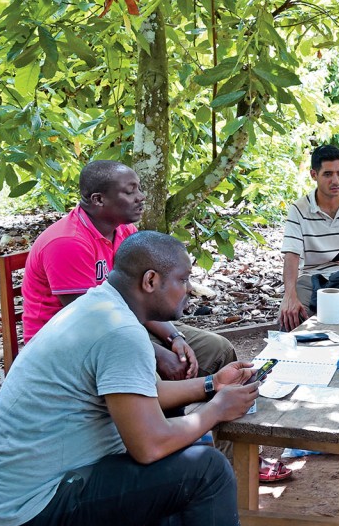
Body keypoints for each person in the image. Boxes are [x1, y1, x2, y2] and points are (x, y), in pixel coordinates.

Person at [0, 231, 262, 526]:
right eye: (183, 279)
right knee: (207, 469)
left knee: (182, 453)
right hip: (34, 511)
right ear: (150, 281)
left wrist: (212, 385)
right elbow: (149, 447)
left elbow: (145, 394)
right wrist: (216, 410)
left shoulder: (102, 305)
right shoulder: (121, 333)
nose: (189, 289)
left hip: (23, 499)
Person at [21, 160, 236, 380]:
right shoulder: (68, 243)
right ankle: (161, 413)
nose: (141, 196)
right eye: (130, 191)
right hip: (70, 342)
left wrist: (175, 337)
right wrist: (157, 353)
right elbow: (90, 320)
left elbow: (141, 298)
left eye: (139, 188)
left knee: (217, 350)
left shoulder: (124, 231)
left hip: (121, 322)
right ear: (99, 199)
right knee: (155, 373)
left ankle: (219, 407)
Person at [279, 145, 339, 331]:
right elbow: (291, 255)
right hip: (311, 276)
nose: (336, 181)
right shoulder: (299, 209)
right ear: (313, 175)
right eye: (328, 174)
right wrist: (289, 295)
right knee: (290, 318)